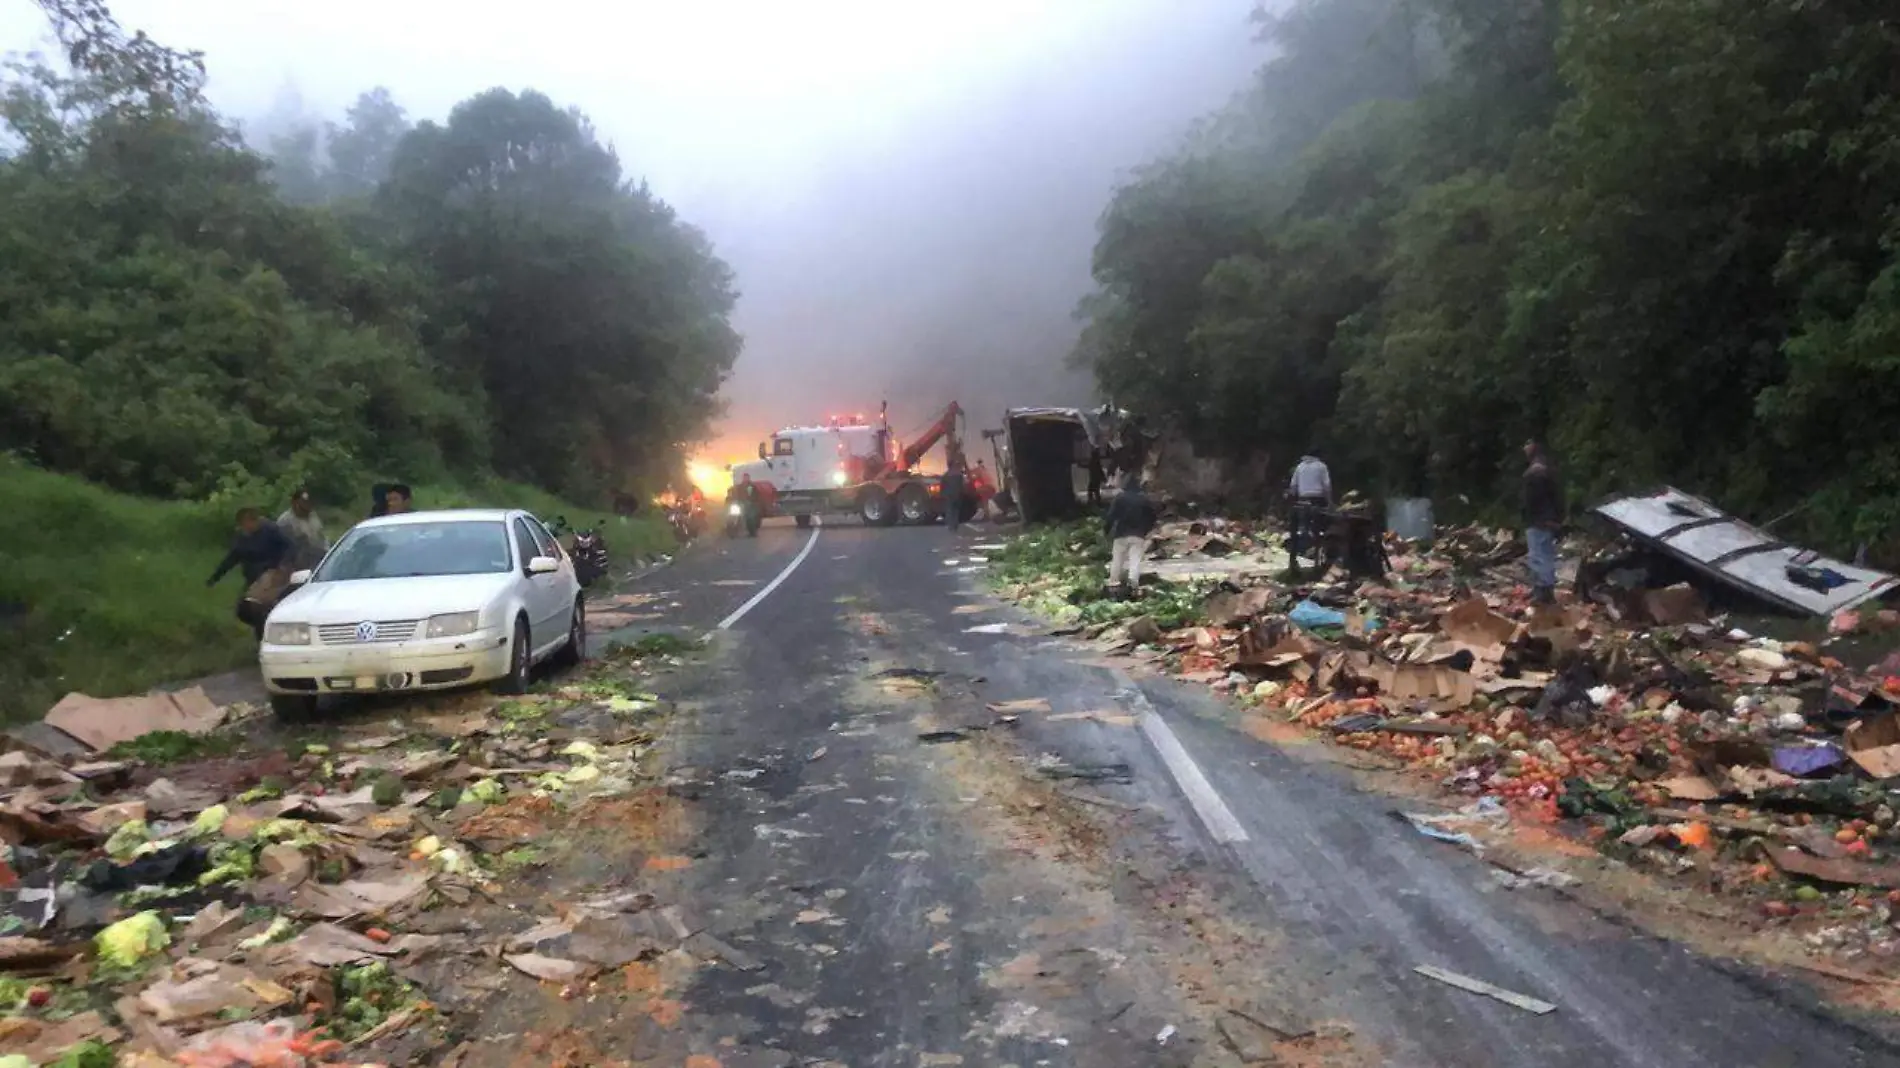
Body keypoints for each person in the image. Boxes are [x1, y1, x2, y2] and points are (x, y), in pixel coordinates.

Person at [206, 508, 294, 640]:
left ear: (255, 520)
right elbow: (233, 557)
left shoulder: (271, 530)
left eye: (247, 523)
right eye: (243, 525)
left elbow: (289, 547)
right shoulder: (242, 537)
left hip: (271, 574)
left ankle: (265, 639)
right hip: (252, 578)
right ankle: (266, 629)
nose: (246, 528)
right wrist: (215, 577)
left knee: (257, 607)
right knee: (243, 610)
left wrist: (282, 566)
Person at [1522, 440, 1565, 604]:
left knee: (1539, 556)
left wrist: (1540, 518)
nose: (1523, 448)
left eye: (1527, 444)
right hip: (1547, 520)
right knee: (1544, 554)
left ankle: (1544, 592)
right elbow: (1558, 498)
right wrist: (1558, 519)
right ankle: (1540, 589)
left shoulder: (1535, 473)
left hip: (1539, 521)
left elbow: (1534, 501)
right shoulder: (1549, 470)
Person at [1104, 474, 1158, 594]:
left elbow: (1111, 516)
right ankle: (1133, 584)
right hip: (1138, 535)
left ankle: (1113, 582)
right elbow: (1153, 516)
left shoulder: (1120, 498)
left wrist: (1106, 531)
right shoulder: (1144, 500)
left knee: (1117, 559)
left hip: (1121, 533)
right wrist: (1146, 530)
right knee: (1135, 559)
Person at [1287, 451, 1333, 566]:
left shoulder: (1300, 466)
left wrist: (1293, 499)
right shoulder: (1321, 466)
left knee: (1303, 527)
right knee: (1322, 527)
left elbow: (1293, 486)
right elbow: (1327, 486)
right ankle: (1320, 553)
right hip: (1318, 500)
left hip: (1302, 500)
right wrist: (1330, 502)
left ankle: (1300, 554)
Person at [276, 487, 328, 572]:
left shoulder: (313, 517)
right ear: (294, 503)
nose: (306, 505)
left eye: (308, 502)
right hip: (297, 567)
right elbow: (282, 548)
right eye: (303, 502)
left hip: (318, 563)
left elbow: (321, 537)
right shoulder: (285, 521)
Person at [942, 453, 966, 533]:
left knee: (950, 510)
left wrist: (943, 494)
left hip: (949, 495)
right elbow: (962, 485)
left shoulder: (946, 475)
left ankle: (950, 526)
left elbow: (943, 485)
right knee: (956, 511)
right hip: (958, 495)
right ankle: (955, 526)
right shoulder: (959, 474)